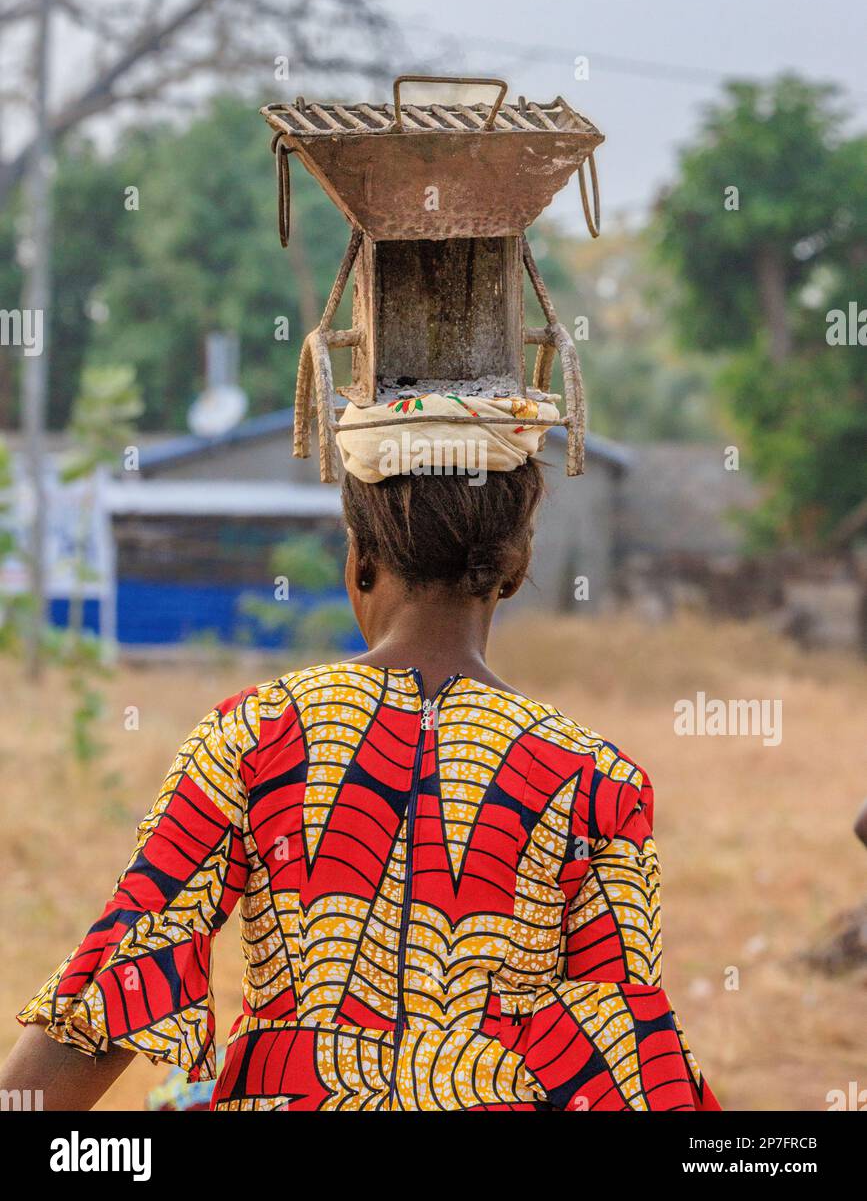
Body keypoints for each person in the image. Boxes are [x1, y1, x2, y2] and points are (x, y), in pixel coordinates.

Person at [1, 396, 719, 1110]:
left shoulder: (252, 732)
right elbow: (621, 1044)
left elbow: (126, 967)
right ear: (514, 563)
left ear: (360, 557)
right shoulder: (597, 780)